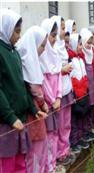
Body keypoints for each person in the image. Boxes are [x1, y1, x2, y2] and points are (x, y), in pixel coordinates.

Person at [0, 9, 47, 173]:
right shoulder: (1, 52)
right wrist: (10, 117)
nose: (19, 36)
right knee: (8, 165)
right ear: (5, 28)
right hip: (7, 123)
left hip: (20, 119)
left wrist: (33, 110)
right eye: (17, 31)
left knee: (21, 163)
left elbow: (22, 86)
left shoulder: (15, 53)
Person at [16, 25, 49, 173]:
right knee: (35, 151)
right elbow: (35, 90)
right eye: (42, 45)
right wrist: (43, 102)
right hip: (32, 113)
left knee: (39, 148)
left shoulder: (31, 61)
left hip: (35, 111)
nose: (43, 49)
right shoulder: (27, 62)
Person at [51, 15, 75, 166]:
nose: (64, 31)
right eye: (62, 27)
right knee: (59, 125)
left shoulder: (62, 46)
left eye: (64, 27)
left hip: (67, 89)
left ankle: (65, 149)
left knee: (66, 123)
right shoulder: (52, 48)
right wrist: (63, 69)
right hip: (57, 92)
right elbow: (51, 72)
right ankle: (59, 153)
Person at [40, 18, 62, 172]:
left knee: (55, 134)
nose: (54, 39)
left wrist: (59, 97)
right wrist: (53, 100)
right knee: (47, 137)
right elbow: (43, 83)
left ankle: (53, 164)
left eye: (55, 35)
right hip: (48, 105)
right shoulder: (41, 57)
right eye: (51, 35)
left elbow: (59, 76)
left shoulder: (55, 54)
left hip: (57, 103)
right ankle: (48, 167)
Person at [68, 33, 90, 155]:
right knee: (75, 120)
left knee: (82, 116)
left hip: (84, 94)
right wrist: (74, 95)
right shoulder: (71, 60)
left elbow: (84, 75)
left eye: (81, 44)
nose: (81, 46)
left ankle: (81, 137)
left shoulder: (81, 59)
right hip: (76, 95)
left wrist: (86, 89)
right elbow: (71, 79)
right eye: (79, 44)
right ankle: (74, 141)